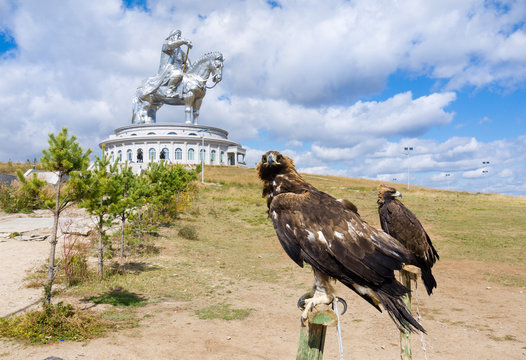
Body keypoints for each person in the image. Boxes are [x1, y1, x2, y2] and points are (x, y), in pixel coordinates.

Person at [158, 29, 192, 94]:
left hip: (179, 69)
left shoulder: (180, 51)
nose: (179, 37)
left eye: (180, 36)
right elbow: (171, 45)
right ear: (172, 36)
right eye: (178, 35)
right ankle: (170, 89)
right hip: (168, 69)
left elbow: (186, 60)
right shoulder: (166, 44)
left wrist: (189, 68)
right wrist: (183, 41)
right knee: (178, 74)